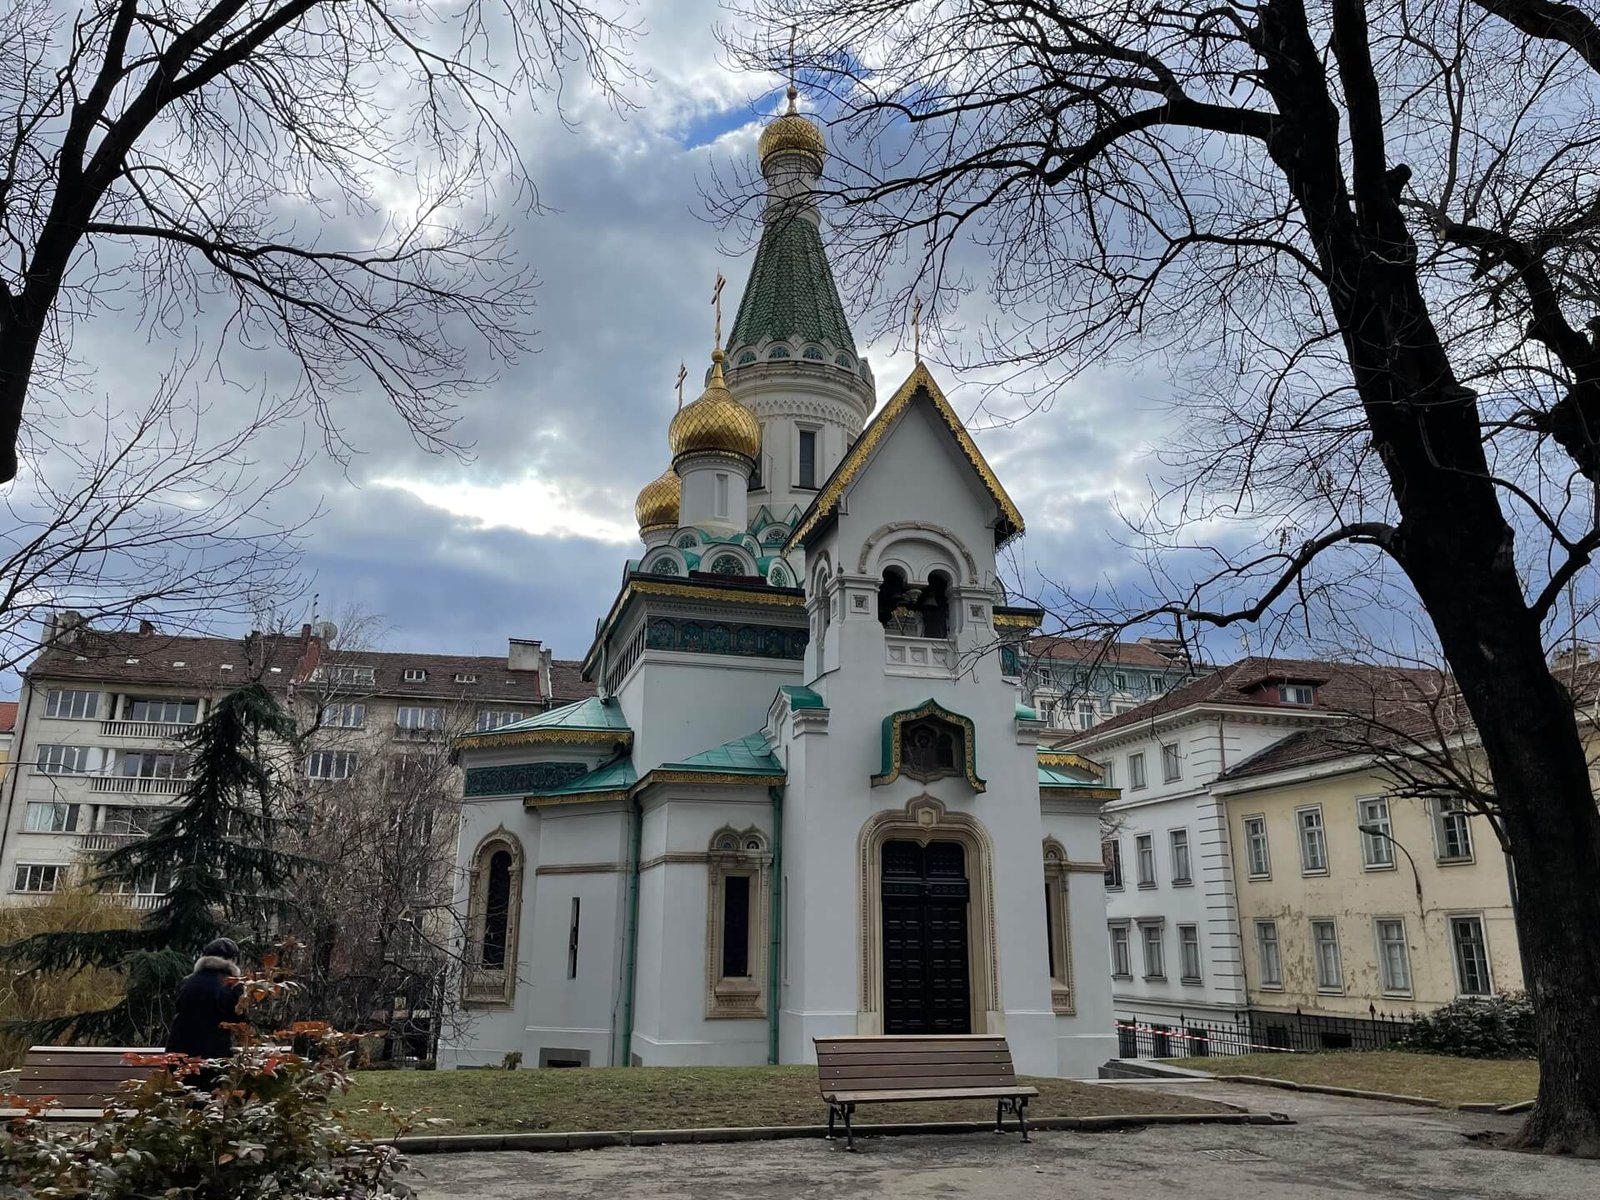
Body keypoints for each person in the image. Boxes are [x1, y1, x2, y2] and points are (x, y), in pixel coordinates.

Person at [165, 937, 244, 1060]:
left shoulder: (187, 982)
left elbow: (178, 1011)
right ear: (233, 960)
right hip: (213, 1056)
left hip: (179, 1054)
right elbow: (239, 1021)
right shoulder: (232, 985)